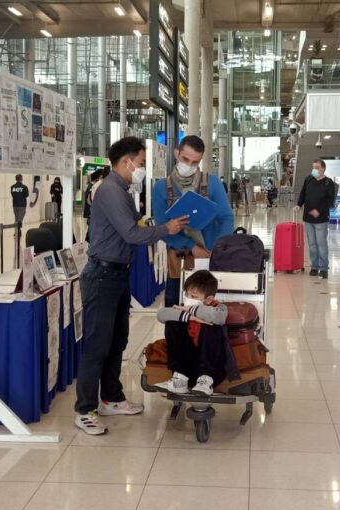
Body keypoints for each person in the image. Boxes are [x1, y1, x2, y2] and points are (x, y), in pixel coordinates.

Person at [75, 136, 189, 436]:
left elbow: (137, 223)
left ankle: (111, 398)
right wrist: (165, 229)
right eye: (140, 163)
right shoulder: (110, 190)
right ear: (126, 162)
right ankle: (85, 410)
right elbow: (131, 234)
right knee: (97, 345)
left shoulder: (123, 191)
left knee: (117, 341)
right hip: (102, 276)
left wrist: (161, 222)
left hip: (117, 275)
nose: (141, 169)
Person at [152, 135, 234, 307]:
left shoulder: (212, 183)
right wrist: (191, 246)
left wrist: (215, 248)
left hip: (211, 259)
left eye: (194, 162)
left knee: (210, 311)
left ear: (200, 160)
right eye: (185, 159)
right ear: (177, 153)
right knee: (176, 310)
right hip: (179, 260)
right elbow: (162, 229)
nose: (189, 165)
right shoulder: (161, 188)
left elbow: (226, 218)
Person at [154, 270, 229, 395]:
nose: (188, 299)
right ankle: (179, 379)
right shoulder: (182, 308)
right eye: (187, 294)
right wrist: (190, 317)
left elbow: (216, 317)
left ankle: (206, 380)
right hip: (189, 366)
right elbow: (161, 314)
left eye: (193, 297)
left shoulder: (219, 308)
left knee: (210, 324)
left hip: (213, 369)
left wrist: (191, 310)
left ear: (209, 299)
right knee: (173, 322)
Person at [297, 158, 336, 279]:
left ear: (323, 169)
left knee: (321, 244)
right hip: (308, 218)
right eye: (313, 167)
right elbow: (303, 193)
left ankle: (323, 268)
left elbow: (330, 202)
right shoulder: (308, 179)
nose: (314, 170)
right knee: (312, 244)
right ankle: (314, 266)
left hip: (321, 219)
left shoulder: (329, 183)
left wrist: (319, 211)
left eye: (317, 168)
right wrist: (299, 204)